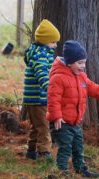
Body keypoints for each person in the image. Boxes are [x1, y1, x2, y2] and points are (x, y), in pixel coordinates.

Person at [47, 40, 99, 178]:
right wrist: (56, 116)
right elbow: (53, 99)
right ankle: (62, 171)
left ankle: (80, 169)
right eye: (79, 63)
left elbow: (95, 89)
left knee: (78, 146)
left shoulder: (81, 76)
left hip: (75, 122)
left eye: (84, 62)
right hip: (61, 122)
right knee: (65, 147)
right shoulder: (58, 77)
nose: (83, 66)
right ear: (70, 62)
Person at [22, 19, 60, 160]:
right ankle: (44, 154)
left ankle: (31, 152)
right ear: (44, 41)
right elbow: (42, 74)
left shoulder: (37, 52)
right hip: (38, 97)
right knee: (43, 127)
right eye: (53, 42)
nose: (55, 45)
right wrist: (50, 88)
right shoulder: (41, 56)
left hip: (33, 98)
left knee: (36, 126)